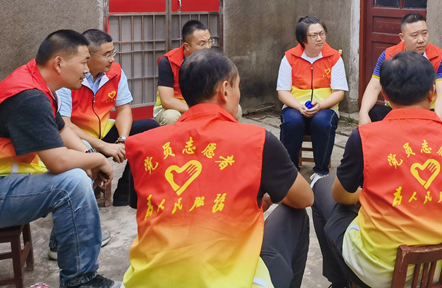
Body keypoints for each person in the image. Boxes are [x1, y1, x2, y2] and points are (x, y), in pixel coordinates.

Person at [123, 50, 313, 288]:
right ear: (225, 90)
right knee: (296, 214)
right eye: (237, 86)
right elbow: (305, 197)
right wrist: (260, 199)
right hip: (230, 282)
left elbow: (142, 206)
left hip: (147, 283)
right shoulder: (257, 140)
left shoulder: (142, 145)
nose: (238, 94)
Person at [312, 51, 442, 288]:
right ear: (432, 92)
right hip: (441, 265)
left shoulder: (365, 137)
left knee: (322, 188)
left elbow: (340, 195)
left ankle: (342, 283)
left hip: (379, 268)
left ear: (386, 96)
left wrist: (364, 196)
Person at [0, 30, 120, 288]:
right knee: (72, 183)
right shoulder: (30, 97)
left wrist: (89, 156)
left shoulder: (33, 79)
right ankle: (81, 281)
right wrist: (99, 161)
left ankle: (64, 244)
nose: (86, 69)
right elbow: (58, 161)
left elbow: (62, 129)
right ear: (59, 63)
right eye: (84, 61)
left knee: (78, 170)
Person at [57, 29, 159, 208]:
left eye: (113, 53)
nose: (112, 59)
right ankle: (84, 202)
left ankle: (126, 193)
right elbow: (65, 125)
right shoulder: (69, 77)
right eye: (107, 55)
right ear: (88, 56)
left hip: (104, 132)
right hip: (78, 140)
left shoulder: (115, 72)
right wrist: (103, 146)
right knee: (84, 147)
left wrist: (123, 139)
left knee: (150, 128)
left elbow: (124, 109)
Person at [277, 16, 348, 186]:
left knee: (323, 122)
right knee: (291, 122)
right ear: (302, 39)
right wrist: (298, 106)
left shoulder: (334, 57)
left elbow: (339, 92)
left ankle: (321, 172)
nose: (319, 38)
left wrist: (321, 105)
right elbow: (282, 91)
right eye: (314, 35)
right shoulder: (289, 58)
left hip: (326, 107)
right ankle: (290, 170)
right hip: (295, 106)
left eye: (322, 33)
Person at [358, 13, 442, 125]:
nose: (421, 40)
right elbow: (374, 87)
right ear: (402, 37)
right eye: (414, 35)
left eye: (424, 33)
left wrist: (436, 122)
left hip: (427, 112)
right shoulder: (388, 55)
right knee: (372, 113)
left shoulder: (440, 57)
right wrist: (363, 113)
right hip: (396, 111)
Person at [153, 20, 214, 125]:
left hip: (202, 105)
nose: (208, 47)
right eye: (202, 44)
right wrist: (196, 110)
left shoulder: (213, 59)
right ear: (187, 46)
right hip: (174, 108)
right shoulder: (168, 62)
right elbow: (167, 101)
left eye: (209, 41)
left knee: (236, 108)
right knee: (171, 117)